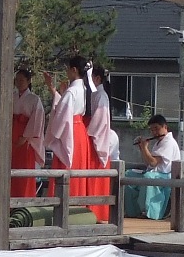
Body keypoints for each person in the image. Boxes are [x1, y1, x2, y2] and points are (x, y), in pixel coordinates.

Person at [44, 55, 91, 198]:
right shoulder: (82, 88)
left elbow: (61, 116)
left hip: (70, 132)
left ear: (74, 70)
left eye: (68, 70)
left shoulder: (71, 91)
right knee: (78, 168)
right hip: (79, 130)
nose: (66, 72)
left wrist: (54, 135)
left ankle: (63, 204)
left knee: (65, 167)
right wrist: (54, 89)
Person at [124, 114, 181, 220]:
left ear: (165, 127)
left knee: (148, 177)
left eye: (157, 129)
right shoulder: (158, 143)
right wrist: (142, 148)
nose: (154, 132)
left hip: (165, 176)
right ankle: (132, 211)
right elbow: (148, 163)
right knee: (128, 175)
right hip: (154, 173)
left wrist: (145, 148)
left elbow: (154, 163)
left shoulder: (169, 142)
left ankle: (148, 212)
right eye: (152, 130)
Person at [11, 69, 45, 198]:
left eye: (22, 80)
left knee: (24, 172)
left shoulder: (34, 99)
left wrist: (25, 137)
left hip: (26, 137)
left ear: (29, 81)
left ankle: (24, 200)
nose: (19, 83)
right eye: (17, 80)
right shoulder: (11, 96)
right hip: (11, 133)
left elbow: (37, 120)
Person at [85, 64, 112, 222]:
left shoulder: (101, 96)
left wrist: (87, 130)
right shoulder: (98, 95)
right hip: (94, 135)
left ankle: (98, 212)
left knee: (96, 177)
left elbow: (99, 120)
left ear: (97, 78)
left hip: (97, 138)